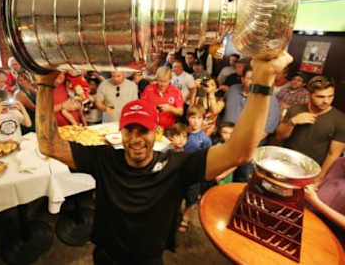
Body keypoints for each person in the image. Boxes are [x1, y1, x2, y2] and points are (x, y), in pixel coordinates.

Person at [34, 51, 292, 265]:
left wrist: (263, 81)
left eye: (143, 130)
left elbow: (241, 152)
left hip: (149, 260)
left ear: (155, 132)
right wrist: (45, 84)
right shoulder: (104, 159)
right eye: (130, 130)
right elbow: (49, 145)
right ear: (120, 132)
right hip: (106, 256)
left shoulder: (177, 165)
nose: (136, 139)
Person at [274, 76, 345, 185]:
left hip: (310, 173)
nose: (326, 101)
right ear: (309, 94)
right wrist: (292, 122)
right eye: (320, 97)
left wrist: (319, 178)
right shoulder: (295, 109)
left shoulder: (340, 120)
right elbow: (279, 137)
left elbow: (333, 154)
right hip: (285, 165)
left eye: (330, 96)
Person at [223, 65, 280, 182]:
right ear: (242, 78)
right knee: (222, 175)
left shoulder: (269, 99)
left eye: (256, 79)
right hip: (226, 143)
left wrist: (245, 144)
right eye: (250, 78)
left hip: (249, 149)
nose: (254, 82)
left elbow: (267, 129)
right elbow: (222, 110)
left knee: (242, 178)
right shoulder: (233, 90)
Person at [180, 105, 212, 232]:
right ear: (188, 118)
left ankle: (186, 217)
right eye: (193, 117)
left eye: (199, 118)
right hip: (179, 170)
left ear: (203, 120)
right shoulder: (183, 132)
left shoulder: (205, 139)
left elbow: (207, 159)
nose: (195, 121)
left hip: (194, 173)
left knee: (191, 197)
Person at [304, 157, 345, 245]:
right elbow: (321, 184)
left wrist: (316, 202)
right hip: (307, 219)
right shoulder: (340, 162)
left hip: (330, 238)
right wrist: (310, 187)